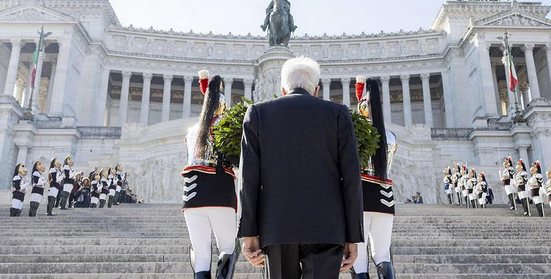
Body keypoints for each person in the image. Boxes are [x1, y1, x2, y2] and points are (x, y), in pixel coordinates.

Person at [239, 57, 364, 279]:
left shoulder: (258, 113)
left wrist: (249, 232)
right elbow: (352, 178)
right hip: (327, 228)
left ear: (283, 89)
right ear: (316, 90)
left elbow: (248, 179)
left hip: (276, 227)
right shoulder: (338, 114)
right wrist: (352, 235)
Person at [181, 71, 239, 279]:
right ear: (223, 107)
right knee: (228, 249)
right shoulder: (225, 126)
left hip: (191, 196)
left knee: (201, 256)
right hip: (219, 192)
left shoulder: (192, 130)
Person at [351, 77, 397, 279]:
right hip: (385, 199)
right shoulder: (391, 137)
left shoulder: (354, 135)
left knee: (359, 260)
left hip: (360, 200)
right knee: (383, 256)